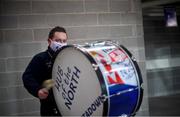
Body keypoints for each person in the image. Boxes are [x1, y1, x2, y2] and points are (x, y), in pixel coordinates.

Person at [22, 26, 68, 116]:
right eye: (58, 41)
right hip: (49, 109)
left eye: (64, 41)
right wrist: (38, 90)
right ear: (49, 41)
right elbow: (27, 77)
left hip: (68, 106)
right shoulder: (40, 58)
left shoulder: (69, 57)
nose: (61, 43)